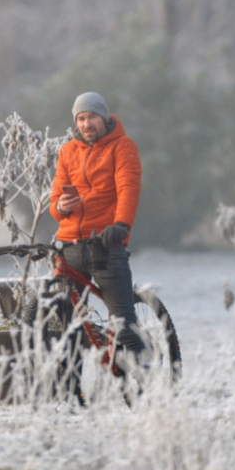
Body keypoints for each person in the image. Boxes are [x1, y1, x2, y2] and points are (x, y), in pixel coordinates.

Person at [49, 92, 148, 369]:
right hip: (69, 248)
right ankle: (70, 391)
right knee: (62, 327)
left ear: (104, 118)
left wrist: (121, 225)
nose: (86, 124)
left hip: (106, 245)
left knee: (125, 327)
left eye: (92, 117)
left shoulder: (122, 147)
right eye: (80, 118)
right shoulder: (67, 151)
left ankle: (153, 387)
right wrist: (60, 206)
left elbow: (128, 188)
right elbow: (54, 205)